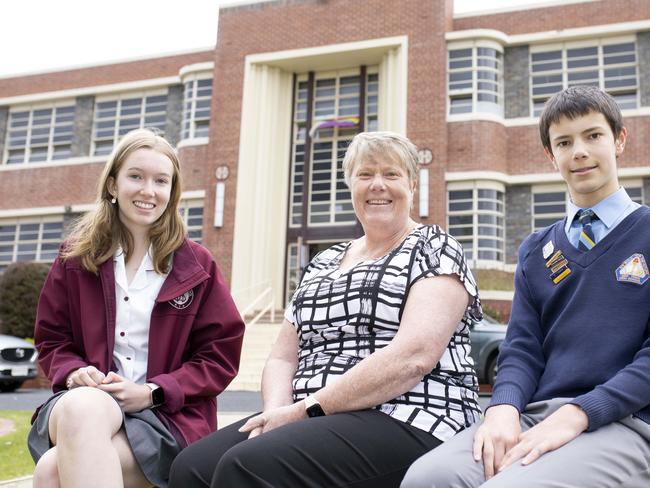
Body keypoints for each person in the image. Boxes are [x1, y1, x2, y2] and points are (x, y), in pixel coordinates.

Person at [168, 131, 483, 487]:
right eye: (365, 175)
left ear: (411, 183)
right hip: (309, 418)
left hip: (411, 415)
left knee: (249, 466)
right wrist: (275, 414)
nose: (377, 184)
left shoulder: (435, 246)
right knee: (191, 467)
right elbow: (282, 358)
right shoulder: (324, 261)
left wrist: (307, 409)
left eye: (391, 174)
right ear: (351, 185)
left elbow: (414, 356)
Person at [402, 85, 650, 488]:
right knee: (428, 478)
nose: (580, 151)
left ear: (619, 140)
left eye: (593, 136)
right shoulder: (537, 250)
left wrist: (581, 412)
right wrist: (502, 408)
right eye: (564, 142)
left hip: (628, 420)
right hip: (538, 414)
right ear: (552, 157)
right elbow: (521, 348)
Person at [27, 128, 245, 488]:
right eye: (136, 177)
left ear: (171, 192)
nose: (148, 190)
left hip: (166, 417)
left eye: (161, 181)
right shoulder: (74, 259)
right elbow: (52, 340)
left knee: (52, 470)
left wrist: (153, 391)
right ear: (112, 185)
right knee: (86, 405)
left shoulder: (197, 265)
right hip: (78, 407)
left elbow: (219, 356)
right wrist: (74, 373)